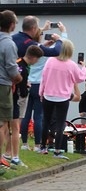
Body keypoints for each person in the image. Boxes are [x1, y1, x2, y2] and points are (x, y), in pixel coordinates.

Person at [18, 21, 67, 153]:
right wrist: (63, 34)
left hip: (28, 83)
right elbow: (60, 50)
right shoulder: (47, 55)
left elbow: (38, 48)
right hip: (40, 85)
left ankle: (24, 143)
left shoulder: (33, 50)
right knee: (38, 116)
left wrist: (43, 31)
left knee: (26, 115)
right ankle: (39, 144)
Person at [39, 39, 86, 159]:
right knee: (60, 124)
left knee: (46, 121)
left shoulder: (50, 61)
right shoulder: (71, 65)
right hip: (63, 97)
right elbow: (80, 78)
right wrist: (84, 67)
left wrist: (41, 92)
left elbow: (43, 78)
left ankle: (42, 147)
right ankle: (57, 150)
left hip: (48, 95)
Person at [4, 45, 43, 166]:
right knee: (15, 128)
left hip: (7, 96)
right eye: (37, 59)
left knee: (5, 127)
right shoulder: (24, 69)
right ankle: (15, 157)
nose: (37, 62)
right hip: (15, 99)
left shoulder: (18, 61)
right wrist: (28, 87)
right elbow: (23, 91)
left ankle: (6, 153)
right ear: (33, 57)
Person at [0, 10, 22, 170]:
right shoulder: (9, 43)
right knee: (2, 123)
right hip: (3, 85)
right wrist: (20, 79)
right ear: (12, 25)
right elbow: (11, 68)